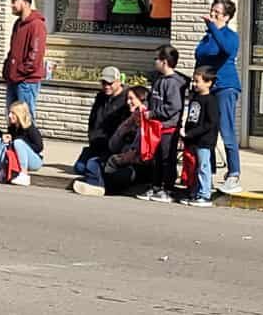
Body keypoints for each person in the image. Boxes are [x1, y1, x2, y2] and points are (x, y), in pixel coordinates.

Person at [195, 0, 242, 193]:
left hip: (225, 86)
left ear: (227, 16)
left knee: (226, 130)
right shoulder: (207, 37)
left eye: (217, 12)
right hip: (207, 88)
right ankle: (207, 173)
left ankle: (234, 174)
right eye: (212, 10)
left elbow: (225, 49)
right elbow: (201, 60)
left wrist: (212, 27)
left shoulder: (230, 36)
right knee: (207, 130)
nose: (212, 14)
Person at [72, 85, 150, 196]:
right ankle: (96, 185)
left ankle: (97, 185)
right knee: (93, 163)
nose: (128, 102)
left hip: (135, 165)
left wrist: (119, 160)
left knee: (122, 175)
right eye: (127, 98)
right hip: (119, 159)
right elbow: (113, 145)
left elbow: (139, 154)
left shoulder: (148, 123)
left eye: (131, 99)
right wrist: (127, 124)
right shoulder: (129, 119)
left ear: (141, 100)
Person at [141, 45, 188, 203]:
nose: (154, 62)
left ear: (165, 62)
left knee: (167, 159)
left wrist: (153, 113)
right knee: (156, 158)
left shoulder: (173, 83)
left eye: (157, 59)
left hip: (168, 128)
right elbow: (152, 99)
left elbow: (174, 106)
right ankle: (155, 186)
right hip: (155, 128)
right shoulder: (159, 79)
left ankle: (168, 189)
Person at [74, 68, 130, 179]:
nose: (106, 86)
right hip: (96, 144)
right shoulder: (100, 97)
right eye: (104, 83)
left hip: (112, 147)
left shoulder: (125, 100)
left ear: (118, 81)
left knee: (92, 167)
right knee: (79, 168)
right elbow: (93, 119)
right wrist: (92, 136)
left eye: (110, 83)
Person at [179, 66, 222, 206]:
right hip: (193, 139)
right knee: (195, 167)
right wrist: (186, 134)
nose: (195, 84)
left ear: (208, 82)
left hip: (204, 141)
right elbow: (191, 118)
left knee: (203, 167)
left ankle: (205, 194)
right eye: (194, 81)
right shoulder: (195, 98)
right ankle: (195, 192)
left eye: (198, 81)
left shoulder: (211, 100)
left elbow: (211, 123)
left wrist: (192, 133)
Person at [2, 0, 47, 119]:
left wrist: (22, 70)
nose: (11, 4)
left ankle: (27, 140)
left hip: (26, 81)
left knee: (25, 118)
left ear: (26, 3)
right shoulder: (18, 23)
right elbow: (13, 50)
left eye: (14, 1)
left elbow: (36, 53)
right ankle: (14, 139)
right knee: (12, 117)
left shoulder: (36, 24)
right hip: (13, 79)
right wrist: (7, 69)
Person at [0, 98, 44, 185]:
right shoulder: (12, 127)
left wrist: (20, 142)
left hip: (34, 161)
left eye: (13, 113)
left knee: (18, 142)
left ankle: (24, 175)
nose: (9, 115)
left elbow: (39, 147)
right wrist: (7, 139)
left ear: (20, 114)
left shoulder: (30, 128)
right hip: (17, 158)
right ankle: (3, 171)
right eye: (9, 112)